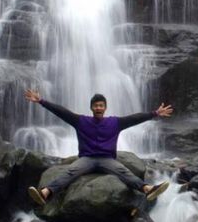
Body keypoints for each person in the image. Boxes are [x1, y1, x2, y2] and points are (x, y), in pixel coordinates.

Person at [24, 88, 173, 206]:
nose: (98, 108)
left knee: (124, 171)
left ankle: (147, 189)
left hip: (107, 159)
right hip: (87, 158)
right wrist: (41, 101)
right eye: (96, 106)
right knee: (70, 171)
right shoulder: (81, 121)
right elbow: (62, 112)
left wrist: (155, 113)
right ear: (91, 108)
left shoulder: (114, 123)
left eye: (101, 105)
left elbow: (135, 118)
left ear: (105, 107)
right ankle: (45, 193)